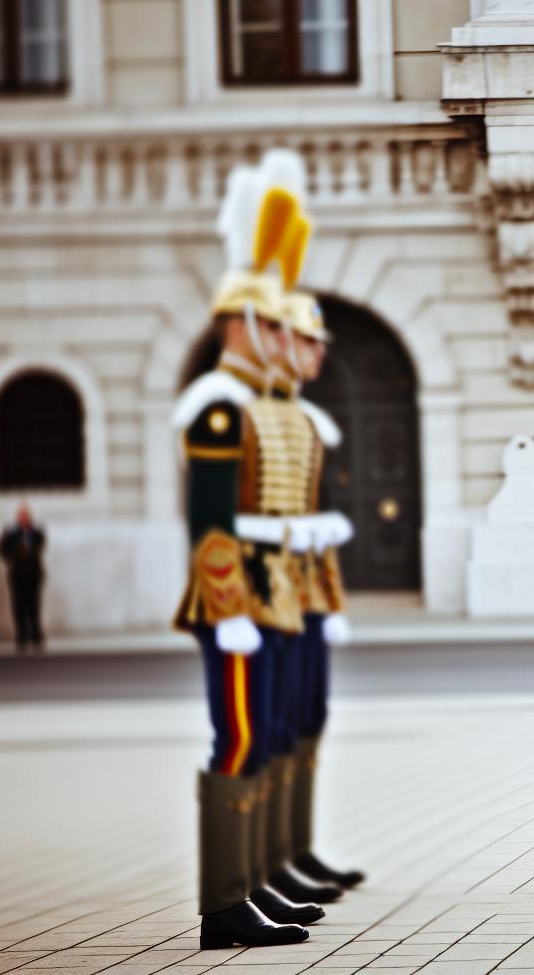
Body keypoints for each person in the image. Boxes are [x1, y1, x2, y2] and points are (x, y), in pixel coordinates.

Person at [171, 151, 322, 949]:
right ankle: (224, 905)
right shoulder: (221, 410)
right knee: (237, 738)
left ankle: (251, 886)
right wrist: (226, 607)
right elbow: (211, 523)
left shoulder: (256, 405)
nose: (279, 340)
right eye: (267, 326)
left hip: (274, 591)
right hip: (235, 597)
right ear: (238, 327)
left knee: (261, 735)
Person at [282, 290, 364, 893]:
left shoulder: (300, 419)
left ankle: (294, 850)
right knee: (276, 726)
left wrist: (328, 600)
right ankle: (271, 859)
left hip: (305, 598)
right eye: (309, 341)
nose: (317, 353)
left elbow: (317, 515)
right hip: (273, 600)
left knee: (308, 719)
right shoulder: (258, 415)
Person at [0, 504, 45, 651]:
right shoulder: (12, 533)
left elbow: (40, 544)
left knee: (34, 605)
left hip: (32, 574)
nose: (23, 518)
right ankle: (22, 632)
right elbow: (3, 549)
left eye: (25, 516)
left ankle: (35, 631)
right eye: (21, 516)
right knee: (18, 605)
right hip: (17, 574)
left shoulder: (35, 531)